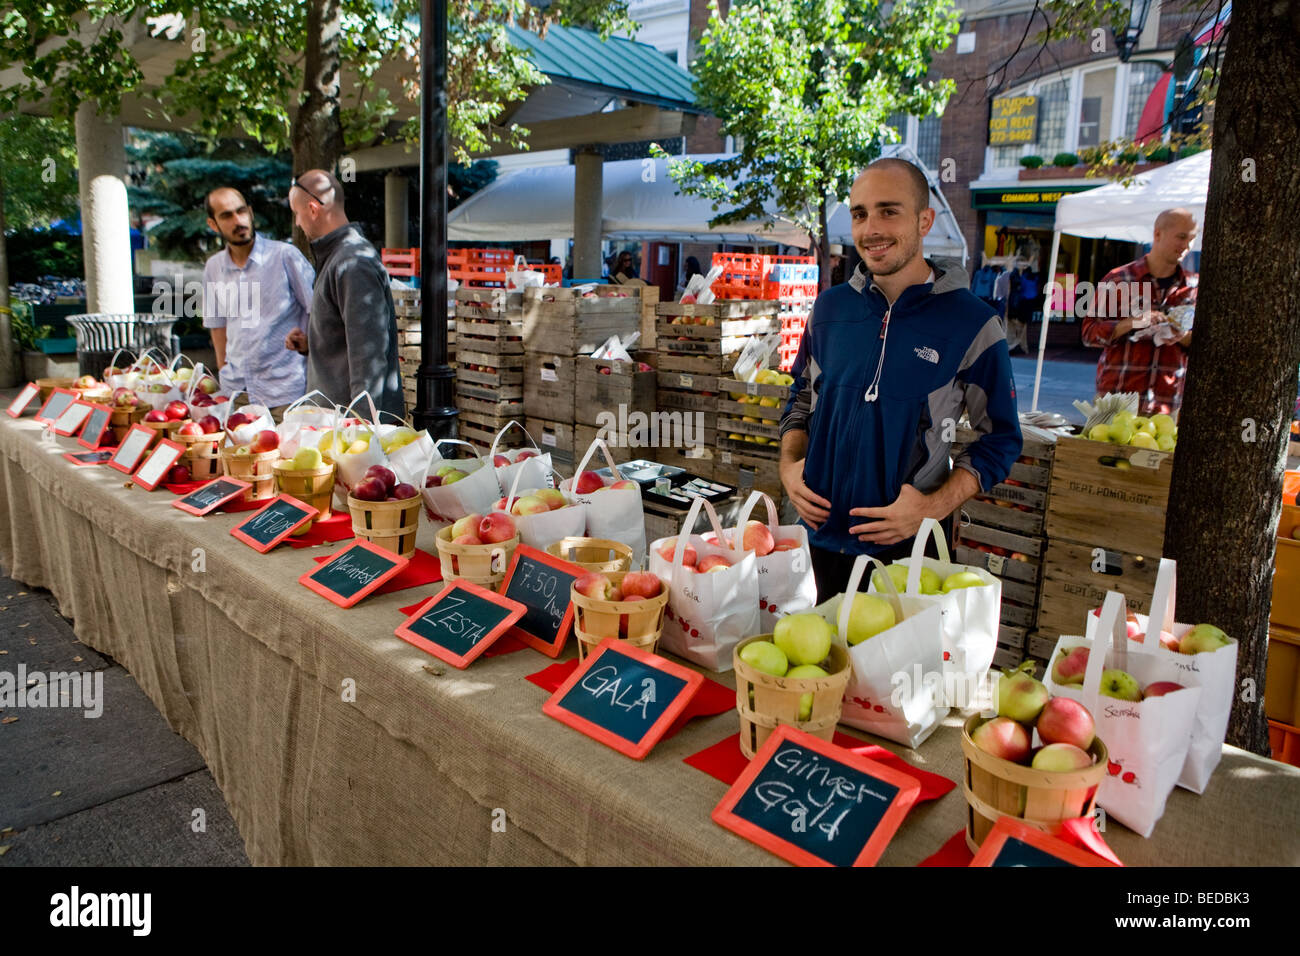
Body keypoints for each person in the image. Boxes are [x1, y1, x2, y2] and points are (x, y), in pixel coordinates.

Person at [779, 158, 1023, 599]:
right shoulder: (829, 310)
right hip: (815, 543)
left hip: (907, 553)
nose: (871, 228)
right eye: (859, 213)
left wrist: (931, 508)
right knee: (811, 665)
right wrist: (789, 468)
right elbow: (800, 400)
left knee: (890, 667)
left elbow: (1000, 439)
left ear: (924, 220)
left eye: (888, 211)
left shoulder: (973, 322)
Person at [283, 170, 405, 419]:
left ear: (313, 209)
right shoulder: (339, 257)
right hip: (336, 427)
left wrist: (359, 432)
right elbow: (350, 337)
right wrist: (313, 344)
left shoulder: (353, 262)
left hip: (353, 435)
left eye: (297, 214)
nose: (297, 223)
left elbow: (368, 360)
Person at [201, 187, 313, 421]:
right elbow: (217, 323)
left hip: (286, 393)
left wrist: (307, 346)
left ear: (250, 213)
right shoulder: (213, 267)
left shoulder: (285, 256)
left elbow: (318, 311)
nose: (238, 220)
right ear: (213, 224)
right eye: (226, 215)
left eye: (241, 211)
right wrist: (223, 370)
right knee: (240, 458)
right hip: (238, 394)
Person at [1081, 208, 1197, 416]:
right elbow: (1089, 334)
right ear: (1157, 234)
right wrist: (1132, 323)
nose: (1186, 246)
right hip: (1116, 400)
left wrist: (1182, 335)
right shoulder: (1118, 280)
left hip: (1166, 405)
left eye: (1192, 239)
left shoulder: (1194, 286)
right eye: (1181, 237)